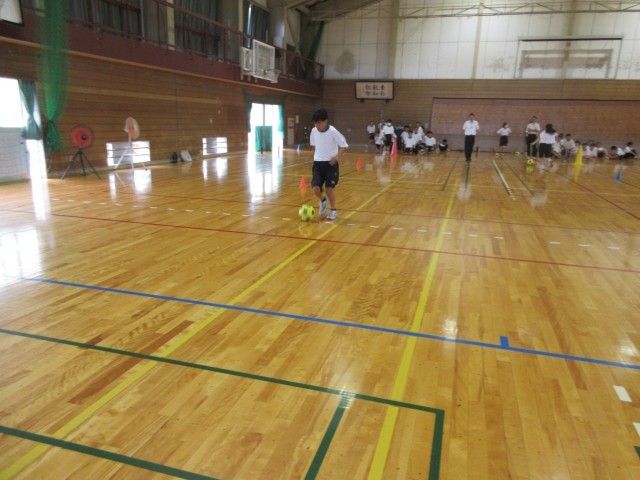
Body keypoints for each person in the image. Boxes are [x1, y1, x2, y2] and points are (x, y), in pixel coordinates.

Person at [310, 108, 348, 220]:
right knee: (315, 189)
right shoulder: (314, 131)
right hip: (318, 164)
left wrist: (336, 157)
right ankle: (323, 200)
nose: (317, 125)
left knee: (328, 189)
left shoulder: (333, 131)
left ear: (325, 121)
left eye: (319, 123)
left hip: (330, 165)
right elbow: (314, 145)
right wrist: (315, 157)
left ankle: (333, 210)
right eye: (315, 123)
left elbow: (344, 146)